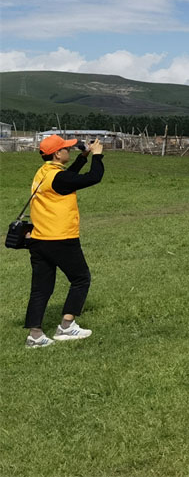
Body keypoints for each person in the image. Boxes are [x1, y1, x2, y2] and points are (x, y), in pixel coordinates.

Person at [23, 135, 103, 348]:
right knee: (81, 278)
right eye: (66, 148)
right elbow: (94, 178)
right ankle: (66, 326)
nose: (70, 150)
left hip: (39, 239)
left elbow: (67, 178)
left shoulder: (45, 173)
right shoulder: (59, 178)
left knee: (41, 288)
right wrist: (97, 156)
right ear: (58, 154)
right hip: (60, 238)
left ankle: (35, 335)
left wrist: (83, 156)